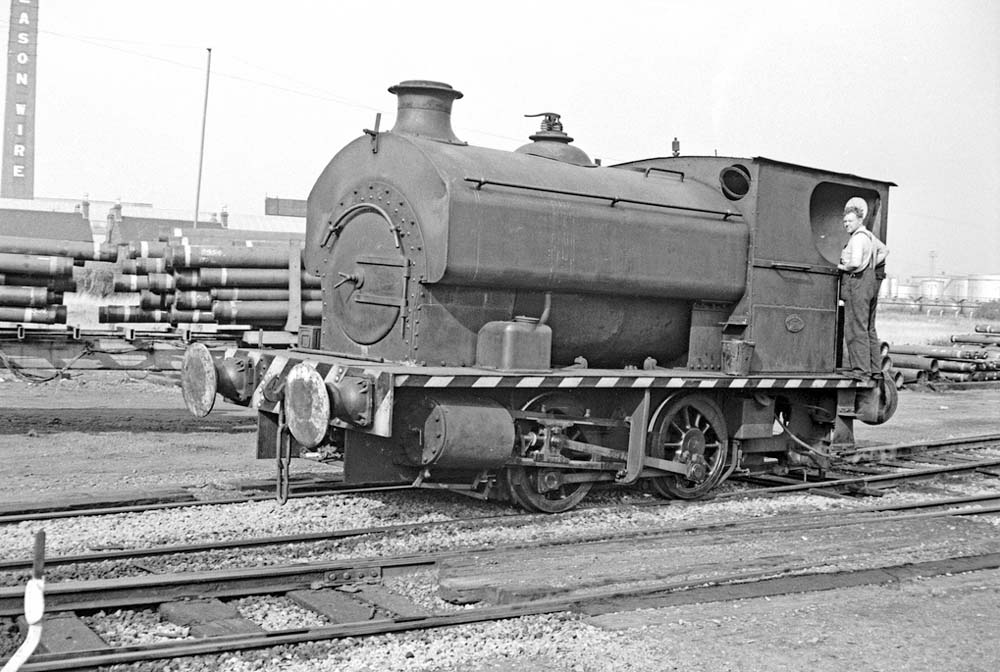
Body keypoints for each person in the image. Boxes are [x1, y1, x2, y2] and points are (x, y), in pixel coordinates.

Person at [837, 198, 876, 378]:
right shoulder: (869, 237)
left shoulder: (858, 239)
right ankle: (873, 368)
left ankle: (861, 370)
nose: (847, 224)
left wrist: (842, 267)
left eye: (850, 221)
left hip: (858, 282)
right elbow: (883, 252)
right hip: (868, 280)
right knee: (867, 328)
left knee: (855, 327)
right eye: (845, 221)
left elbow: (855, 262)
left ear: (860, 220)